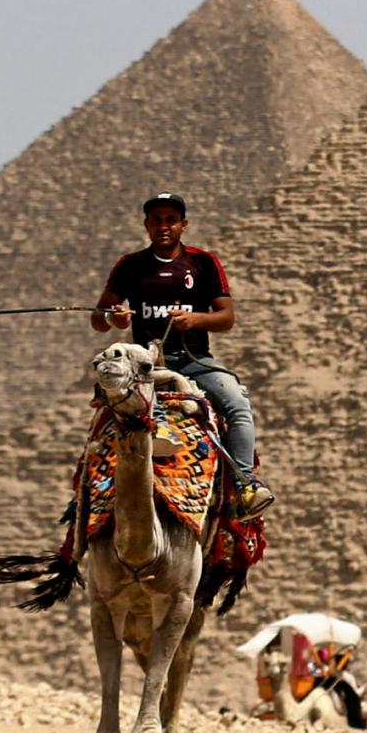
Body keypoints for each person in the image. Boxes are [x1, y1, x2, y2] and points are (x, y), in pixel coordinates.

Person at [92, 192, 274, 517]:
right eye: (157, 220)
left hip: (195, 360)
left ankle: (245, 486)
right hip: (145, 364)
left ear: (183, 225)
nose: (164, 226)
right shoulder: (130, 266)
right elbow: (99, 317)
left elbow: (226, 317)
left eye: (170, 220)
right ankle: (89, 500)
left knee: (238, 406)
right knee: (102, 421)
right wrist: (113, 317)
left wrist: (196, 319)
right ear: (147, 225)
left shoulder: (203, 263)